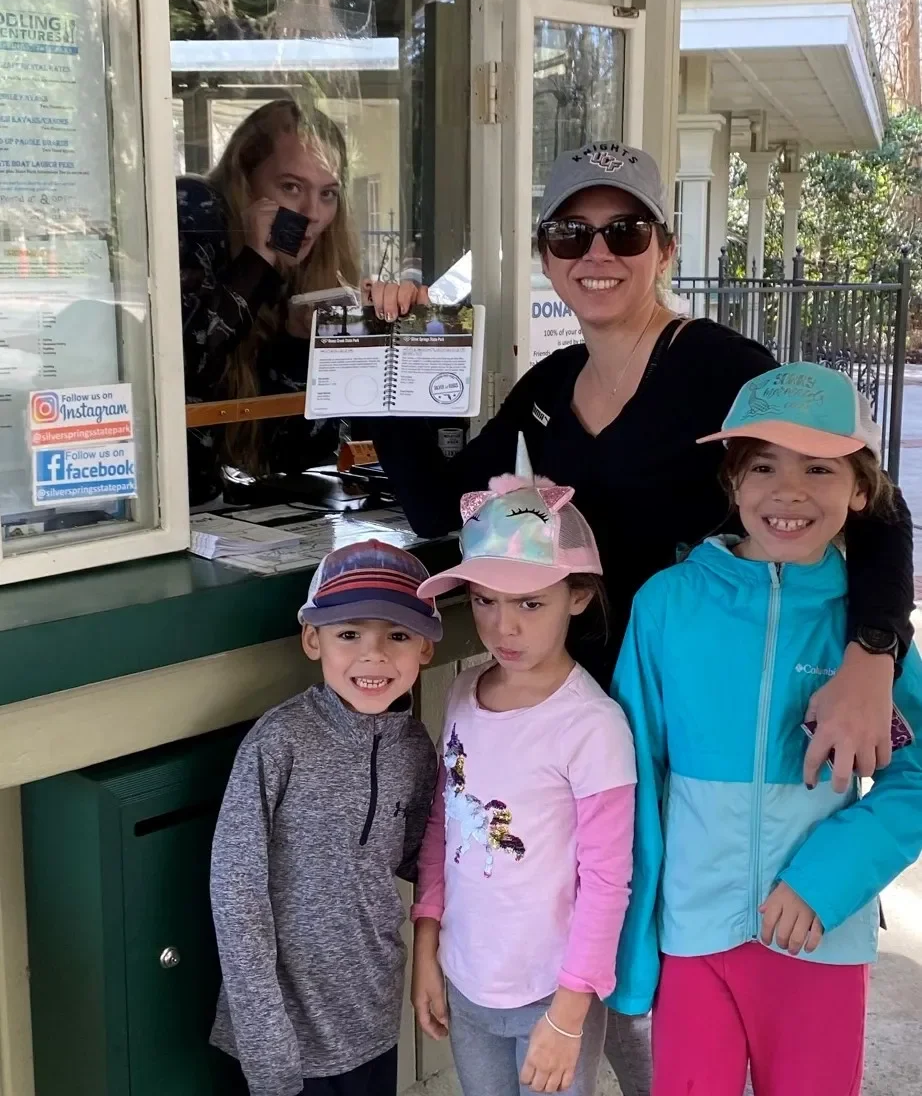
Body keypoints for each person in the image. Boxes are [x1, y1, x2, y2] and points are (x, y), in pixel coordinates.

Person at [366, 139, 914, 1095]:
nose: (597, 253)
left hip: (699, 719)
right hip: (590, 709)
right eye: (570, 233)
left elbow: (871, 507)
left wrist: (873, 652)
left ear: (663, 246)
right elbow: (436, 503)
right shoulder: (548, 391)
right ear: (545, 253)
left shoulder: (721, 369)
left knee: (665, 993)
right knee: (611, 967)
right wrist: (394, 353)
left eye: (624, 230)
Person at [611, 362, 922, 1096]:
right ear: (732, 482)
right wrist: (635, 949)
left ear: (860, 491)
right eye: (763, 465)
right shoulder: (666, 605)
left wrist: (827, 881)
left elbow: (915, 779)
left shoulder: (869, 637)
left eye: (819, 467)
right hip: (694, 936)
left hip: (820, 936)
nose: (788, 490)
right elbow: (633, 779)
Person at [410, 444, 635, 1096]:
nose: (502, 626)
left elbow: (607, 882)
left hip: (551, 996)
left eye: (529, 604)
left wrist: (569, 1013)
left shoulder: (592, 726)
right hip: (465, 978)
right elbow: (443, 826)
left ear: (578, 597)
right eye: (484, 601)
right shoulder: (462, 693)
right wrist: (427, 947)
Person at [209, 539, 441, 1096]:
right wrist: (264, 1039)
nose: (374, 655)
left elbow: (422, 858)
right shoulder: (278, 743)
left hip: (373, 1013)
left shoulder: (415, 747)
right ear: (313, 640)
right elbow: (236, 893)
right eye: (349, 634)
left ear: (426, 649)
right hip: (283, 1034)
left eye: (398, 636)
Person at [179, 97, 361, 504]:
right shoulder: (196, 208)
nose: (312, 213)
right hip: (165, 503)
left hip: (231, 507)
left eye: (328, 194)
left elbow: (301, 458)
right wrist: (255, 261)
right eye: (291, 187)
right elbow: (185, 366)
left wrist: (297, 344)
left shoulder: (311, 266)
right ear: (244, 179)